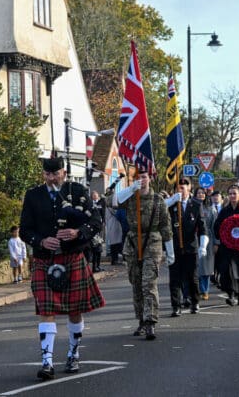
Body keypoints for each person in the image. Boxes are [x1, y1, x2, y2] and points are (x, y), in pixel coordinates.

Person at [20, 157, 105, 380]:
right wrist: (40, 241)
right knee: (46, 311)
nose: (50, 178)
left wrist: (78, 233)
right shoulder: (33, 196)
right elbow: (24, 230)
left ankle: (73, 353)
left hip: (72, 257)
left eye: (54, 174)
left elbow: (96, 221)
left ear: (63, 172)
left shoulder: (78, 191)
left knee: (74, 311)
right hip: (44, 259)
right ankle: (46, 362)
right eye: (47, 174)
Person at [111, 168, 173, 340]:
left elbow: (165, 226)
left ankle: (150, 321)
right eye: (138, 178)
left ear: (150, 179)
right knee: (136, 283)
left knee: (149, 283)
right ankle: (141, 320)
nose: (142, 180)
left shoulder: (158, 200)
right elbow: (112, 201)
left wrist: (170, 251)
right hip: (132, 243)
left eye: (144, 177)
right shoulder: (130, 197)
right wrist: (130, 189)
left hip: (152, 242)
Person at [165, 178, 208, 316]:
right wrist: (170, 201)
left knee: (192, 277)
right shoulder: (171, 205)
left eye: (183, 187)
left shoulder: (196, 204)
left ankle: (195, 302)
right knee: (175, 279)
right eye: (178, 187)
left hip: (191, 247)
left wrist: (203, 245)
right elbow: (160, 217)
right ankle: (175, 306)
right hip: (175, 247)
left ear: (189, 188)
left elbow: (202, 227)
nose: (180, 190)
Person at [195, 187, 217, 300]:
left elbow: (215, 227)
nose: (200, 195)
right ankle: (198, 289)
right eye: (198, 193)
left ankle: (205, 290)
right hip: (194, 239)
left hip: (208, 239)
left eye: (202, 193)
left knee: (206, 267)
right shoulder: (192, 207)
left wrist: (216, 243)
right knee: (197, 266)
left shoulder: (211, 209)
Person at [89, 191, 105, 272]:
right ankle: (94, 267)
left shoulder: (100, 204)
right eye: (94, 195)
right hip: (93, 229)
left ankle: (98, 266)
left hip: (99, 228)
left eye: (96, 195)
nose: (95, 197)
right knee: (96, 248)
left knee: (99, 248)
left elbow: (103, 214)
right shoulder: (90, 204)